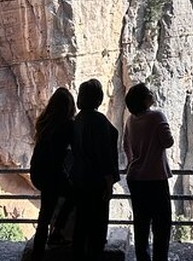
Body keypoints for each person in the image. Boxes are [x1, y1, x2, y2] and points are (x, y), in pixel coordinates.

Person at [123, 83, 174, 261]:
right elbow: (168, 142)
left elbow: (126, 147)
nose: (152, 94)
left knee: (141, 223)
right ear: (144, 99)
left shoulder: (130, 120)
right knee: (162, 224)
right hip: (155, 177)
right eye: (148, 93)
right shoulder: (157, 116)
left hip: (135, 178)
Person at [70, 78, 120, 261]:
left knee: (81, 224)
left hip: (79, 177)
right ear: (97, 98)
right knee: (97, 226)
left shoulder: (76, 120)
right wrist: (109, 182)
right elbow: (105, 153)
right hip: (96, 180)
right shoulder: (99, 121)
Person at [30, 87, 76, 261]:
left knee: (45, 213)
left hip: (38, 170)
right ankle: (56, 232)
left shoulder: (45, 122)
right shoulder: (68, 125)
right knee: (73, 195)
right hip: (52, 173)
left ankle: (40, 250)